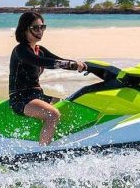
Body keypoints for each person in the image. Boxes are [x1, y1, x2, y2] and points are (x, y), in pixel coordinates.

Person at [9, 11, 86, 144]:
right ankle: (43, 152)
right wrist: (71, 64)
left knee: (69, 106)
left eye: (42, 27)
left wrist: (81, 65)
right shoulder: (20, 50)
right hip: (21, 98)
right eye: (35, 28)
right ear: (24, 29)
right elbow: (41, 61)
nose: (40, 31)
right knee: (53, 114)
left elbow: (58, 60)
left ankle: (67, 143)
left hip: (38, 95)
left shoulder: (40, 49)